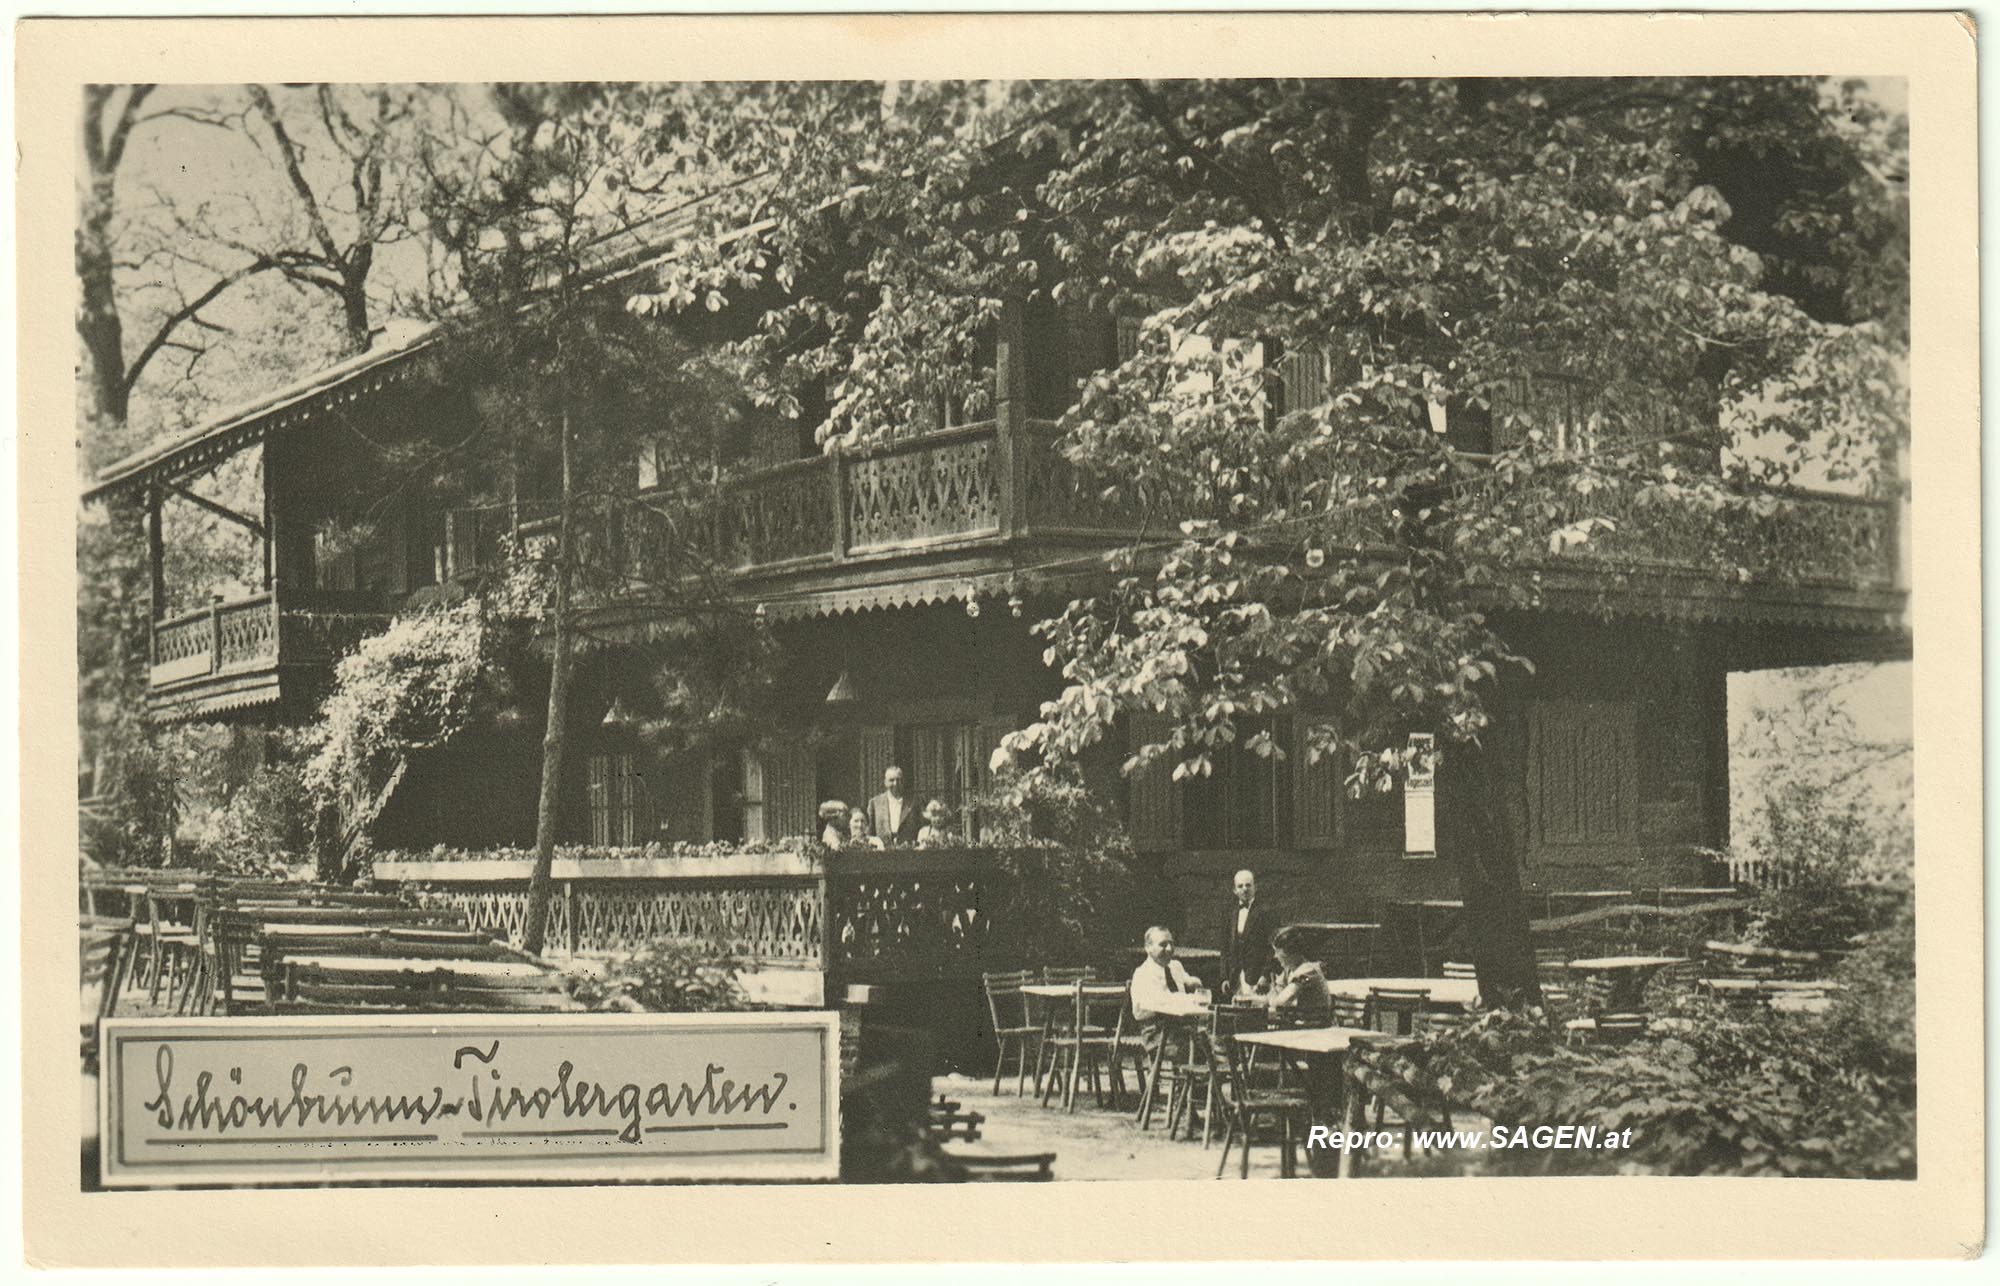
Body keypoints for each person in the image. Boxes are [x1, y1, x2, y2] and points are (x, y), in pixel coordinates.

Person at [1222, 868, 1275, 998]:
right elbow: (1225, 948)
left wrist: (1265, 975)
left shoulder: (1265, 912)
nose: (1244, 889)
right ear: (1235, 890)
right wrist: (1224, 977)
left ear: (1255, 887)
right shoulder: (1230, 913)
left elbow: (1273, 947)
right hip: (1235, 977)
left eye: (1248, 885)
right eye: (1240, 886)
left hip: (1257, 977)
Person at [1265, 926, 1332, 1020]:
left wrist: (1272, 996)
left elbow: (1281, 1002)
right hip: (1305, 1024)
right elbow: (1276, 992)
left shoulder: (1308, 972)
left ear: (1291, 953)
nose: (1275, 956)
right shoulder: (1290, 971)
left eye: (1278, 952)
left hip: (1318, 1026)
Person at [865, 765, 923, 846]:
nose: (895, 784)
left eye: (899, 780)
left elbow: (921, 829)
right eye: (891, 780)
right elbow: (869, 832)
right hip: (882, 851)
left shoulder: (914, 802)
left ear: (903, 782)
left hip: (908, 851)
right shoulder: (875, 803)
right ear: (885, 782)